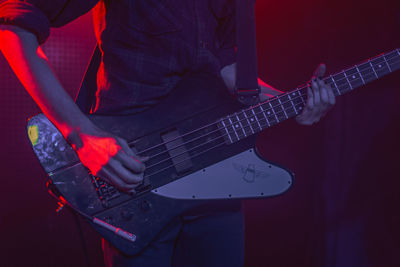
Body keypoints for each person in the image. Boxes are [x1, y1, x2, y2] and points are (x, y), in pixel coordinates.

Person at [0, 0, 336, 266]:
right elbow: (13, 25)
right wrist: (81, 133)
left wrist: (290, 103)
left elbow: (222, 65)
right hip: (138, 172)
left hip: (217, 175)